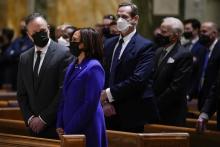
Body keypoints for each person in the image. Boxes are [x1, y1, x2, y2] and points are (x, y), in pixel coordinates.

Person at [101, 2, 159, 132]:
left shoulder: (145, 46)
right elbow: (103, 73)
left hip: (133, 112)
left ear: (135, 19)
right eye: (118, 16)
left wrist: (108, 94)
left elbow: (138, 79)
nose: (120, 20)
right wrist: (105, 102)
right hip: (107, 112)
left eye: (125, 17)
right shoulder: (109, 43)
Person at [17, 12, 72, 139]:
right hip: (32, 128)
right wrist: (30, 119)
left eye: (42, 30)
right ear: (29, 35)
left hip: (55, 125)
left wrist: (43, 119)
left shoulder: (64, 53)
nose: (40, 34)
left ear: (48, 28)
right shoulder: (24, 57)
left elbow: (63, 91)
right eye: (35, 33)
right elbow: (21, 93)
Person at [56, 28, 107, 147]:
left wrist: (70, 128)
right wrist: (59, 123)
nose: (71, 43)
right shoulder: (73, 65)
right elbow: (64, 96)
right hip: (68, 125)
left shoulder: (94, 67)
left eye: (74, 40)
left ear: (86, 43)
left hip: (87, 127)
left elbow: (90, 104)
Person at [153, 17, 193, 126]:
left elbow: (176, 87)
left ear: (175, 36)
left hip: (171, 113)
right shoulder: (158, 51)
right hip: (154, 111)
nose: (159, 33)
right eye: (160, 30)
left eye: (164, 32)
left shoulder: (184, 55)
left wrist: (155, 103)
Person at [3, 18, 33, 91]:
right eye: (20, 27)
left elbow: (24, 54)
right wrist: (18, 52)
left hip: (25, 72)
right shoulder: (17, 40)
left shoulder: (31, 40)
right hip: (14, 72)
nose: (21, 28)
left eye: (23, 27)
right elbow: (7, 53)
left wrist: (14, 52)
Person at [196, 22, 220, 111]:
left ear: (214, 33)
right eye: (200, 32)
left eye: (204, 31)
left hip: (215, 99)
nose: (201, 34)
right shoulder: (202, 50)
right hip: (202, 96)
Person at [182, 19, 206, 101]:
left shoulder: (203, 46)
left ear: (196, 30)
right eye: (184, 29)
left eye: (188, 29)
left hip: (194, 91)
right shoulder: (185, 46)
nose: (185, 31)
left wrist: (190, 93)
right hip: (184, 86)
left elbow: (199, 72)